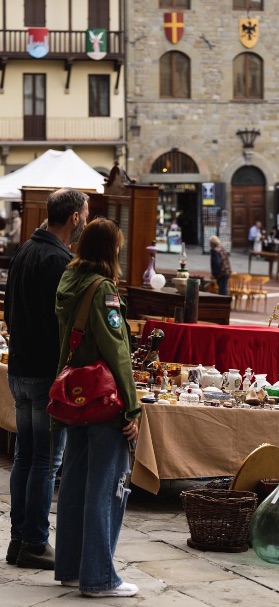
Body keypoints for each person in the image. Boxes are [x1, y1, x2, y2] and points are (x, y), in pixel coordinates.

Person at [53, 217, 140, 597]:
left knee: (73, 485)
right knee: (107, 488)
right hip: (104, 400)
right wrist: (133, 408)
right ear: (112, 250)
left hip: (75, 398)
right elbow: (117, 353)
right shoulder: (103, 289)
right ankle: (100, 578)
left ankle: (71, 568)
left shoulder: (68, 282)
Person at [4, 188, 89, 569]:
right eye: (85, 212)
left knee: (26, 456)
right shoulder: (57, 259)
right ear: (74, 217)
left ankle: (18, 539)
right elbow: (63, 323)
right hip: (43, 374)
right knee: (43, 461)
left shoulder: (25, 250)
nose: (86, 218)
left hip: (20, 369)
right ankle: (35, 542)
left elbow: (7, 307)